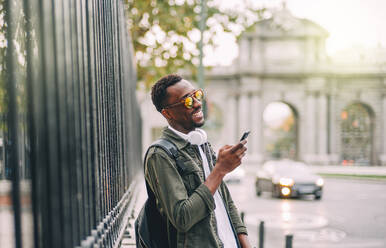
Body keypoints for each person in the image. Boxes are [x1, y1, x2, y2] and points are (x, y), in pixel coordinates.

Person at [145, 74, 251, 247]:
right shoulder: (160, 155)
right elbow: (182, 217)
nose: (197, 103)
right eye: (187, 101)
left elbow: (225, 200)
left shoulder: (201, 144)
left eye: (197, 95)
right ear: (167, 112)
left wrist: (245, 244)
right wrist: (220, 170)